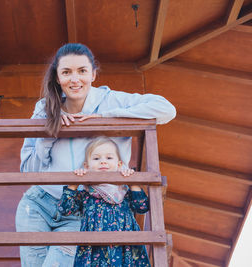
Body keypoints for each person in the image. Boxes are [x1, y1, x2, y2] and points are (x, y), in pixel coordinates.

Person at [15, 43, 176, 267]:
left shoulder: (111, 100)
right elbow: (28, 171)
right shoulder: (44, 107)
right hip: (38, 204)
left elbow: (167, 109)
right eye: (66, 72)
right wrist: (49, 133)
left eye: (82, 71)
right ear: (58, 77)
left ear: (93, 74)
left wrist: (105, 117)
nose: (74, 79)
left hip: (80, 208)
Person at [57, 136, 150, 267]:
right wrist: (73, 183)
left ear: (119, 165)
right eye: (96, 158)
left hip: (123, 247)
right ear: (86, 166)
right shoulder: (86, 194)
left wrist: (133, 183)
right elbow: (64, 209)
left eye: (109, 158)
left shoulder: (125, 191)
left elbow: (142, 207)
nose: (103, 162)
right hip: (94, 249)